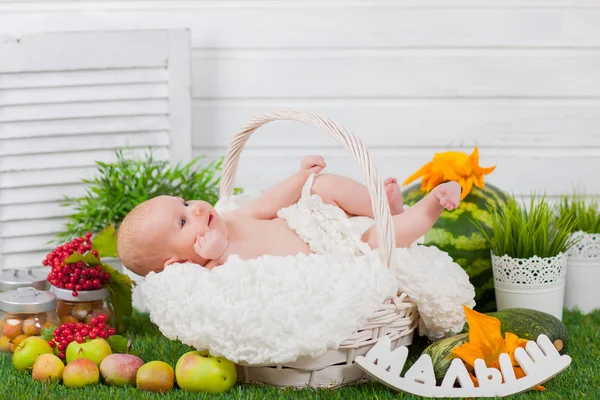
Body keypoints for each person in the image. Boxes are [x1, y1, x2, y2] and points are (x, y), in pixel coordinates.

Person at [117, 155, 461, 276]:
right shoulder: (214, 266)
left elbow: (267, 204)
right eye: (182, 221)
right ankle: (430, 205)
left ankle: (384, 209)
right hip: (334, 253)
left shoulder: (229, 216)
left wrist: (299, 178)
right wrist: (222, 252)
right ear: (176, 263)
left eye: (185, 203)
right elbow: (255, 269)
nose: (196, 209)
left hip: (314, 222)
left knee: (322, 184)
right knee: (375, 243)